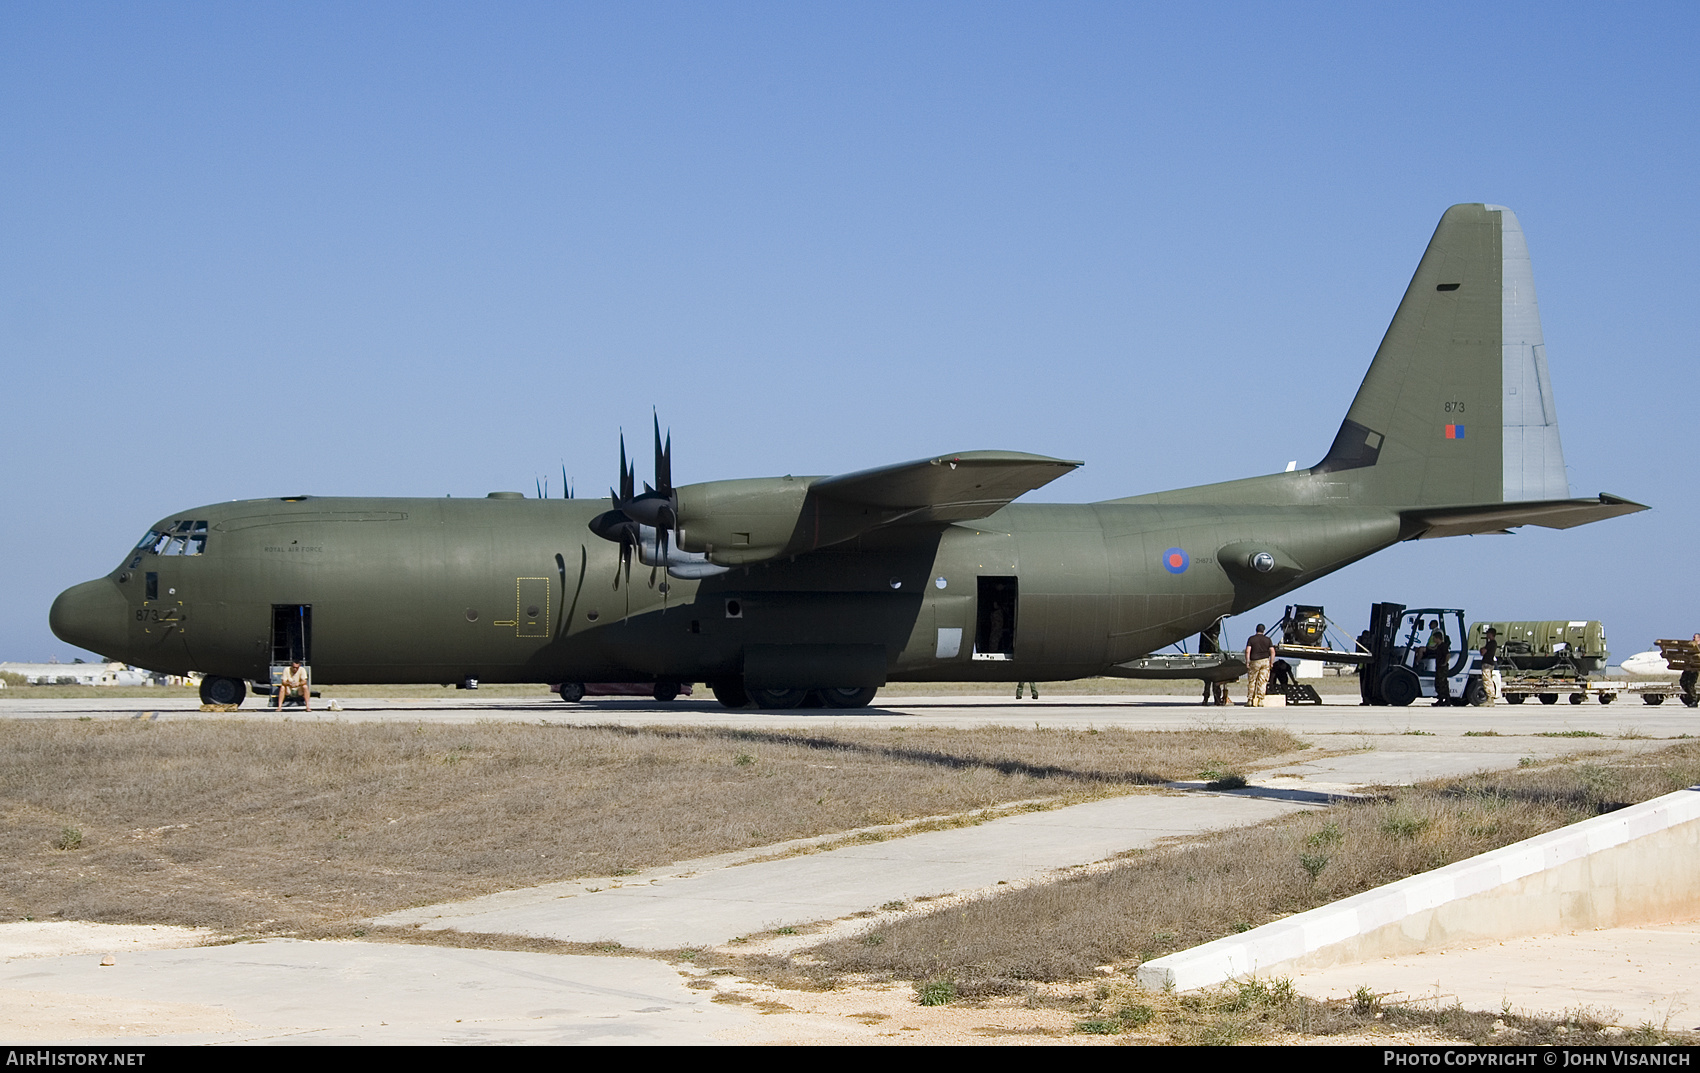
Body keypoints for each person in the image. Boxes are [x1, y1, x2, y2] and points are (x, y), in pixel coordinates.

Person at [1244, 624, 1275, 707]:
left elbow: (1247, 651)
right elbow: (1272, 651)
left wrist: (1247, 661)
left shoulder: (1251, 639)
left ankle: (1250, 700)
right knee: (1262, 681)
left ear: (1256, 630)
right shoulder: (1268, 640)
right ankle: (1260, 700)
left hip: (1254, 661)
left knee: (1252, 680)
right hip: (1265, 661)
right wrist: (1271, 662)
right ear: (1263, 630)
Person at [1423, 620, 1451, 706]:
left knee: (1442, 683)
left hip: (1442, 667)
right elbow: (1433, 649)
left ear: (1438, 638)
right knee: (1438, 683)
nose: (1434, 639)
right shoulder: (1438, 646)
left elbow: (1448, 654)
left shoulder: (1443, 646)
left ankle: (1445, 699)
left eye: (1434, 638)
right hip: (1439, 666)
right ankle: (1441, 699)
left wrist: (1445, 663)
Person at [1479, 627, 1499, 705]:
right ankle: (1490, 698)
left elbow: (1483, 652)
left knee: (1487, 680)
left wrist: (1481, 649)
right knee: (1488, 679)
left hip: (1487, 663)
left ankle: (1490, 698)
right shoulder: (1493, 643)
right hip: (1489, 663)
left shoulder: (1491, 643)